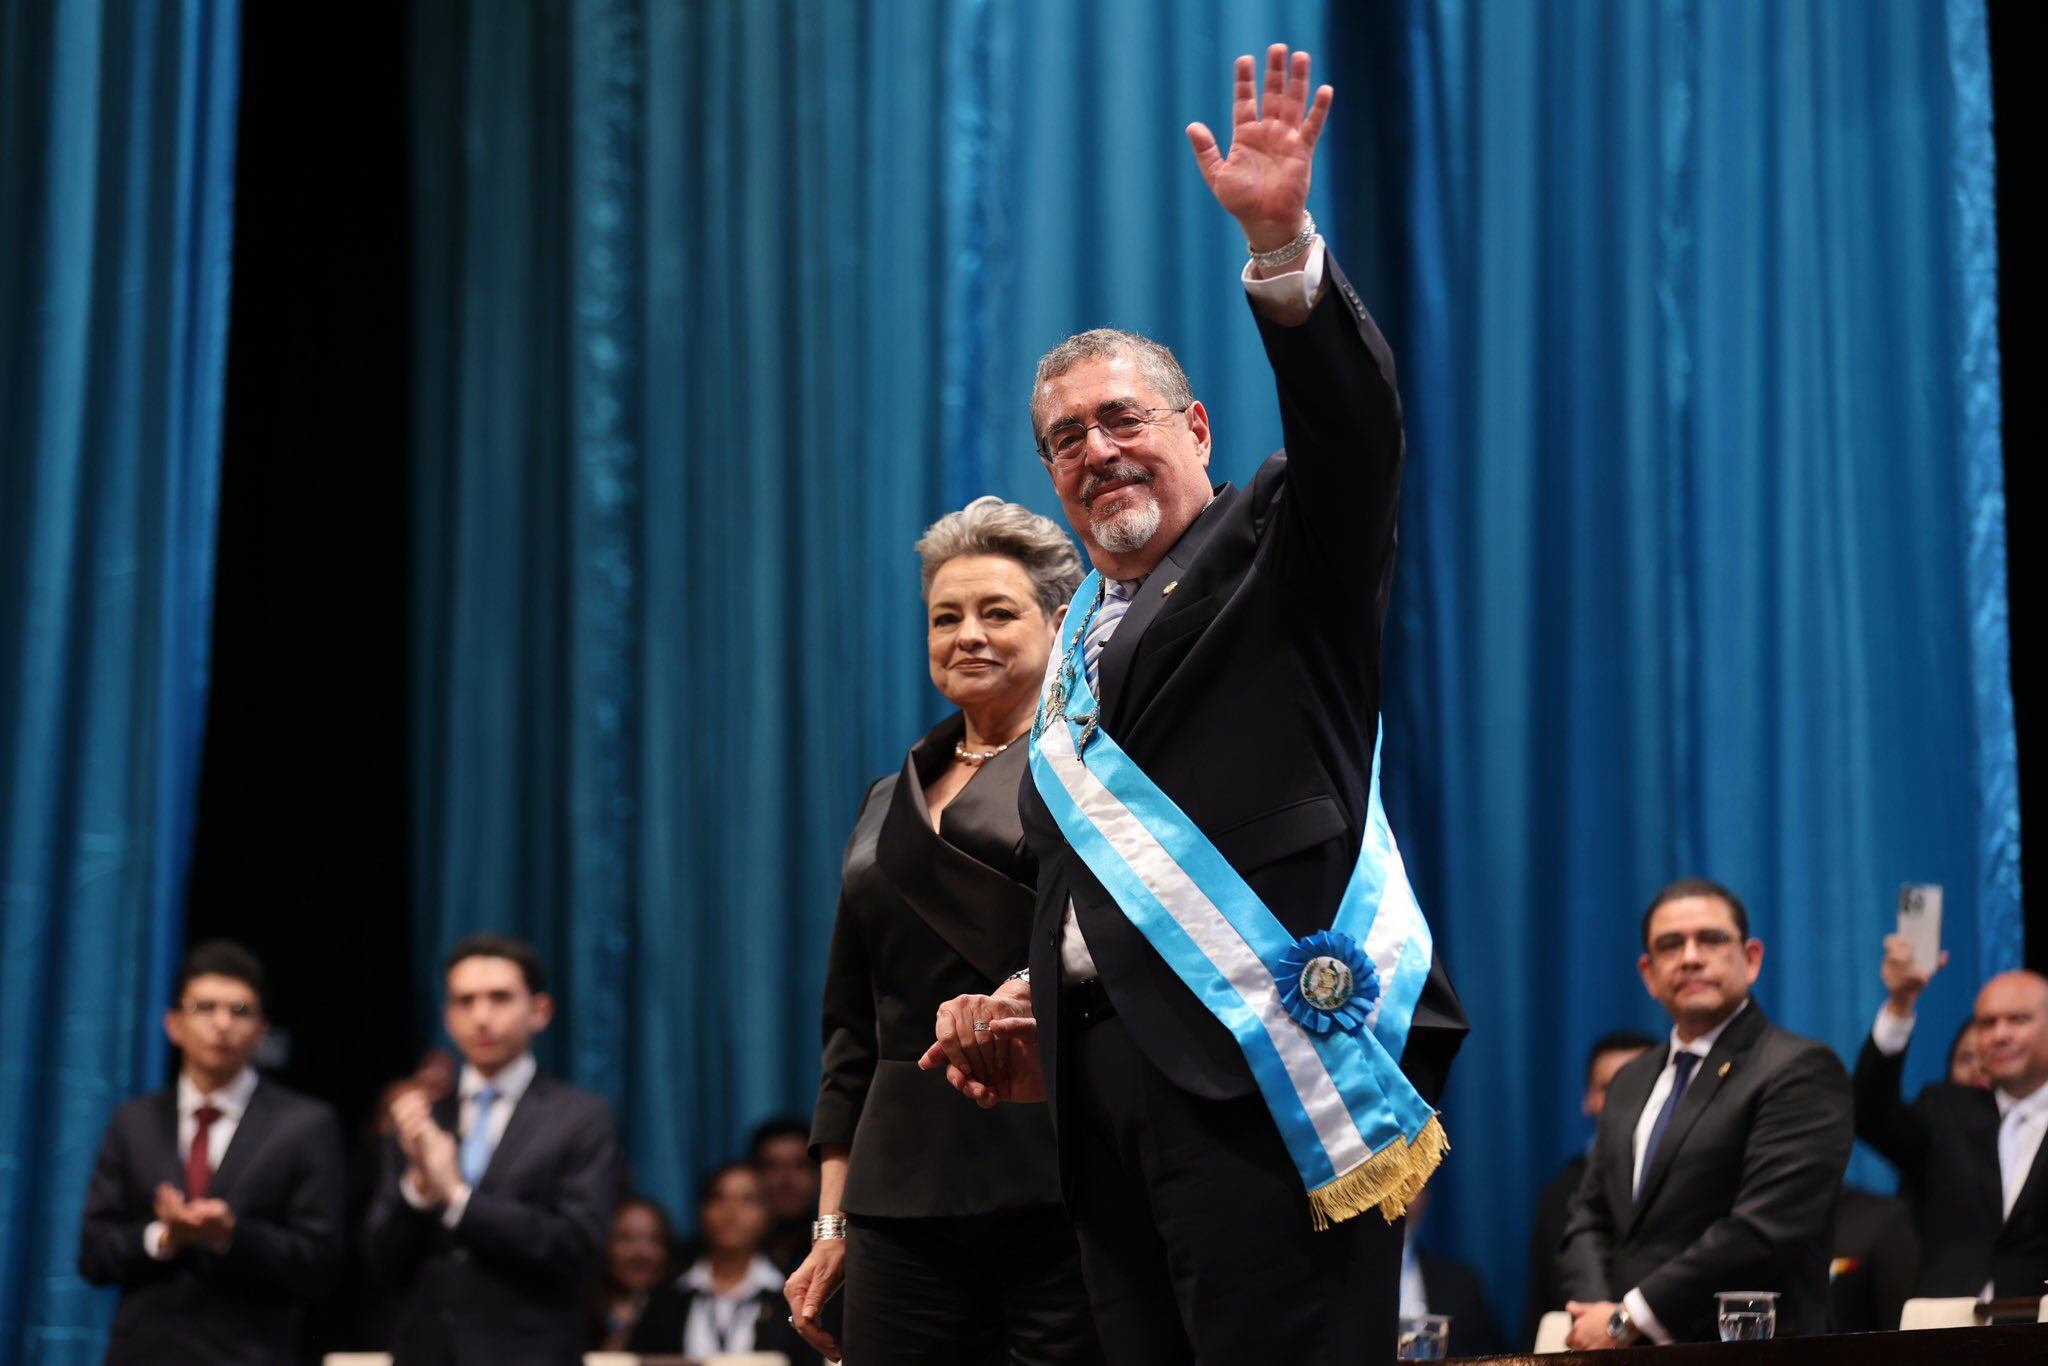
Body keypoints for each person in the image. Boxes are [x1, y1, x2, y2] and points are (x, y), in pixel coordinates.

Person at [922, 47, 1466, 1364]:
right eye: (1066, 438)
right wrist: (1034, 992)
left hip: (1261, 1081)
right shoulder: (1066, 653)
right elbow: (1112, 874)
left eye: (1122, 418)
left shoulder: (1281, 543)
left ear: (1198, 428)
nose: (1097, 449)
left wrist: (1280, 249)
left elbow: (1354, 430)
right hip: (1102, 1103)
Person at [787, 497, 1099, 1364]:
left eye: (997, 612)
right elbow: (853, 1031)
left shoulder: (1098, 774)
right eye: (945, 618)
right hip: (898, 1197)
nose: (968, 636)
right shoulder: (887, 798)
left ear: (1059, 623)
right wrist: (831, 1221)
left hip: (1064, 1180)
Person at [1558, 880, 1853, 1346]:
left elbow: (1763, 1230)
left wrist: (1628, 1318)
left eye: (1711, 939)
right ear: (1648, 974)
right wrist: (1601, 1317)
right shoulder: (1631, 1079)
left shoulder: (1799, 1069)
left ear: (1751, 959)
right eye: (1670, 945)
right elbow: (1590, 1215)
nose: (1690, 957)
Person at [77, 940, 346, 1365]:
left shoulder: (304, 1125)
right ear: (173, 1024)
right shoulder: (134, 1121)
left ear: (262, 1030)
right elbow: (94, 1254)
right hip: (145, 1352)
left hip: (250, 1352)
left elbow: (320, 1263)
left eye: (239, 1011)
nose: (222, 1024)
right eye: (204, 1007)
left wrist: (230, 1235)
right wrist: (163, 1236)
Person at [364, 932, 621, 1365]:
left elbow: (576, 1244)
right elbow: (381, 1261)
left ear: (539, 1011)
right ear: (448, 1017)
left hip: (530, 1353)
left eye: (500, 998)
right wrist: (420, 1188)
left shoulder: (580, 1117)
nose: (481, 1017)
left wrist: (457, 1197)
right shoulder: (422, 1118)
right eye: (465, 1001)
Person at [1852, 936, 2048, 1299]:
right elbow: (1868, 1112)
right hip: (1947, 1322)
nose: (2000, 1034)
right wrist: (1899, 1005)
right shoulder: (1946, 1110)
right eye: (1987, 1023)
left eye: (2018, 1020)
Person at [1521, 1029, 1655, 1346]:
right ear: (1588, 1099)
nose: (1624, 1100)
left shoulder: (1688, 1181)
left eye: (1639, 1085)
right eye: (1610, 1087)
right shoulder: (1559, 1198)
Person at [631, 1164, 818, 1362]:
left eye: (748, 1199)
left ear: (769, 1214)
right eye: (719, 1198)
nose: (732, 1211)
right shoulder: (668, 1295)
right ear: (702, 1211)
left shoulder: (793, 1295)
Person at [1400, 1188, 1505, 1357]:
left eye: (1409, 1185)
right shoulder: (1351, 1283)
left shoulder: (1461, 1285)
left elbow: (1492, 1357)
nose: (1397, 1196)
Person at [594, 1196, 676, 1350]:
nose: (640, 1252)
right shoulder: (581, 1309)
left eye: (653, 1239)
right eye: (626, 1238)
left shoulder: (683, 1309)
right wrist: (618, 1329)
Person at [748, 1116, 820, 1273]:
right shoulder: (717, 1256)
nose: (787, 1180)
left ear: (817, 1175)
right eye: (772, 1166)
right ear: (753, 1174)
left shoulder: (840, 1253)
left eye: (800, 1165)